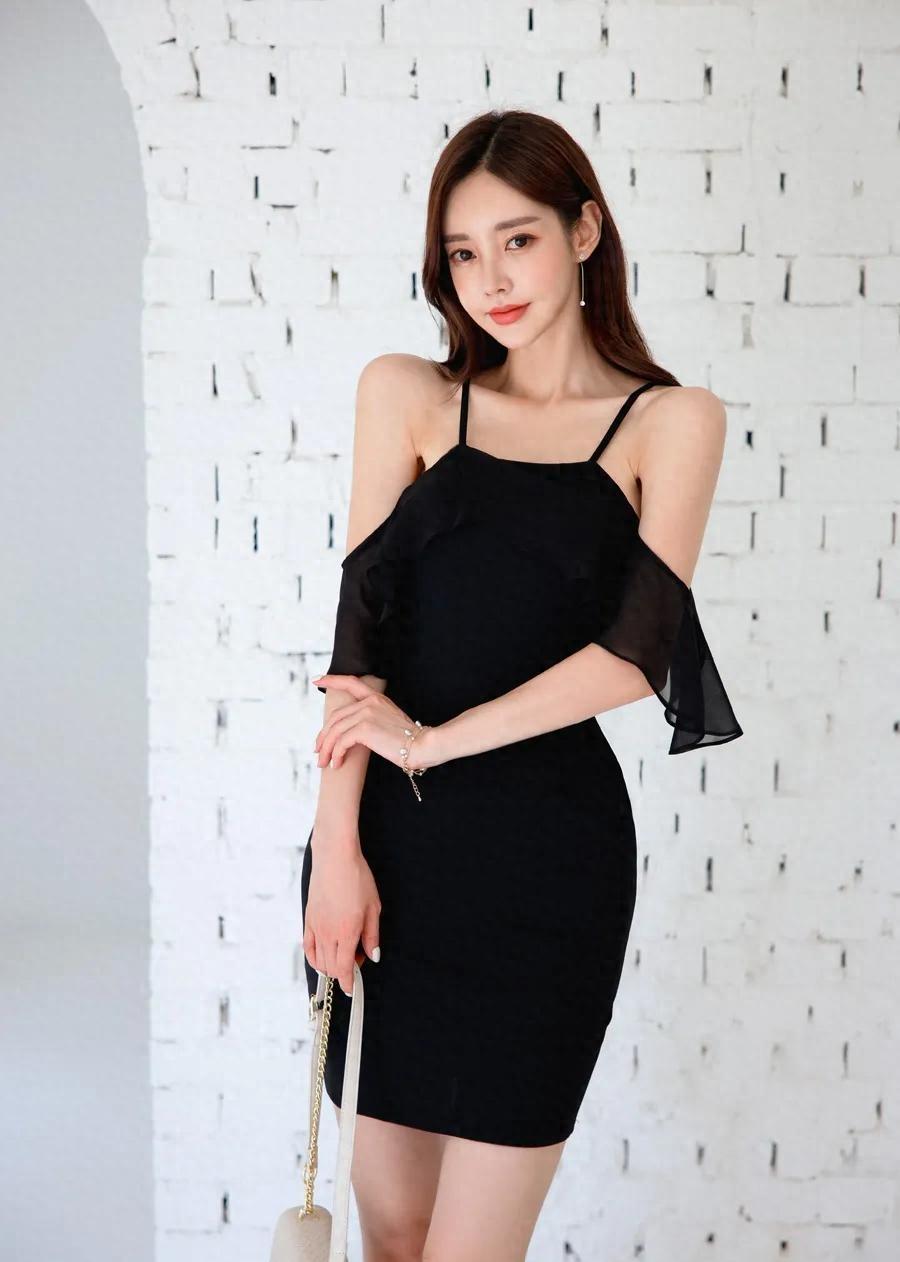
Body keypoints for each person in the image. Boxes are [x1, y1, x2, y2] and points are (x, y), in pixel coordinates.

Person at [300, 108, 743, 1262]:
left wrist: (430, 741)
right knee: (393, 1238)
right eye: (463, 251)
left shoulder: (670, 421)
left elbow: (637, 650)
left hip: (549, 866)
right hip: (387, 862)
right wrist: (336, 846)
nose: (490, 278)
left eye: (519, 240)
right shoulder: (406, 393)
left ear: (584, 231)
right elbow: (359, 640)